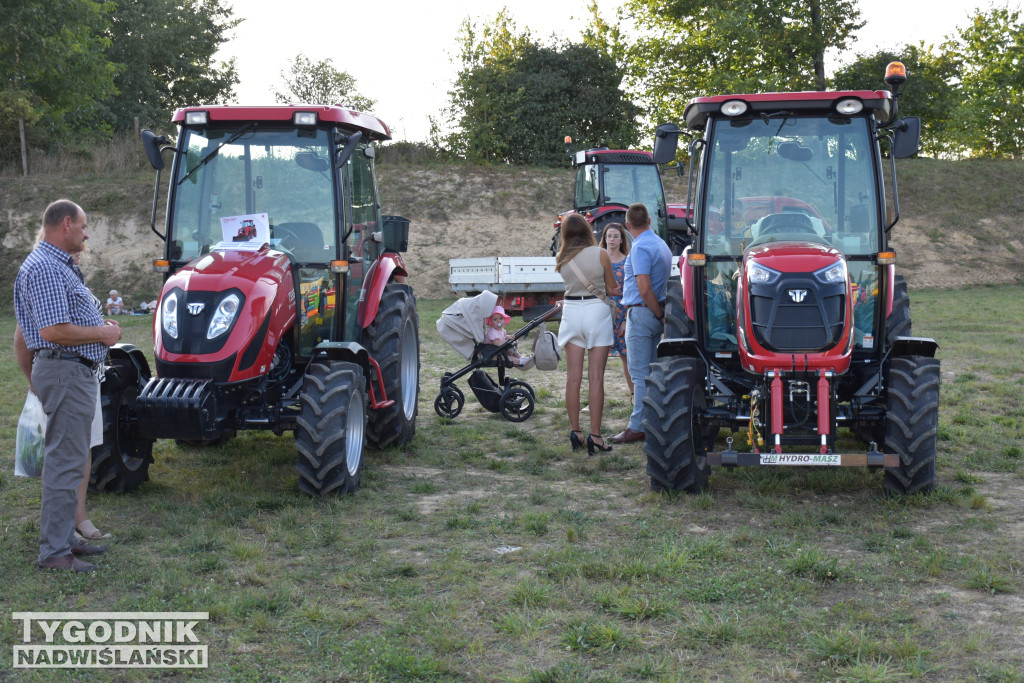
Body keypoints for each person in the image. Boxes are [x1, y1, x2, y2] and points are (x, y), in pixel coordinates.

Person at [14, 199, 122, 572]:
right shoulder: (46, 267)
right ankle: (55, 553)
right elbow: (52, 331)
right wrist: (103, 334)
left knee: (71, 461)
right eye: (83, 226)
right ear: (65, 224)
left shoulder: (56, 266)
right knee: (64, 463)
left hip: (70, 372)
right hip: (65, 371)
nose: (87, 233)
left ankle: (65, 540)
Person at [555, 213, 619, 455]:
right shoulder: (601, 254)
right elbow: (612, 288)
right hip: (596, 310)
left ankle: (576, 432)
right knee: (596, 377)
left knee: (573, 378)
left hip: (571, 312)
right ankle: (596, 435)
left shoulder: (561, 257)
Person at [609, 203, 673, 444]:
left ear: (627, 227)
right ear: (649, 221)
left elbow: (644, 288)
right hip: (656, 311)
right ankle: (655, 419)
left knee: (639, 374)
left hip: (644, 312)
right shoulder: (661, 244)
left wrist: (657, 314)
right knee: (655, 372)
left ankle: (637, 425)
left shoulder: (640, 248)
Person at [600, 223, 633, 397]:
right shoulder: (598, 259)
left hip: (622, 313)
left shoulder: (628, 261)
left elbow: (632, 291)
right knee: (598, 362)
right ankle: (595, 400)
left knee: (627, 359)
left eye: (615, 236)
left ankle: (635, 397)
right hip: (601, 313)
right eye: (608, 236)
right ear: (604, 238)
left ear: (621, 240)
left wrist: (627, 319)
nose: (611, 240)